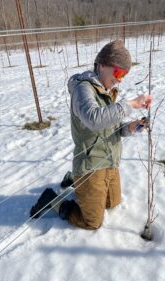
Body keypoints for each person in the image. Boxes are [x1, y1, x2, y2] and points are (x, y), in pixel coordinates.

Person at [30, 40, 152, 230]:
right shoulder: (83, 89)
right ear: (102, 65)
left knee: (112, 203)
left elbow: (111, 126)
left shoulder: (106, 90)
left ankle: (74, 181)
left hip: (110, 162)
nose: (120, 79)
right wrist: (131, 104)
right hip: (90, 165)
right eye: (118, 73)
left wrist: (131, 127)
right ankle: (53, 200)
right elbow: (94, 119)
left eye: (124, 75)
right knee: (92, 222)